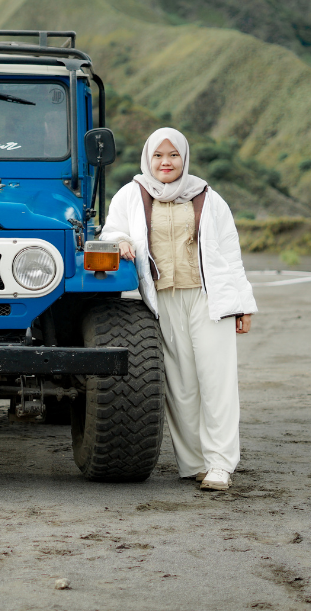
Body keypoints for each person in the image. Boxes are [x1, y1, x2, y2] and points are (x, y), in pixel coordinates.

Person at [100, 128, 257, 491]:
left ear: (184, 158)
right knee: (180, 385)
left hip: (207, 297)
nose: (166, 162)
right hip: (162, 299)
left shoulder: (208, 197)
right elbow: (111, 231)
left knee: (216, 382)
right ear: (148, 158)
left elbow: (230, 252)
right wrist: (121, 241)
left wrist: (243, 304)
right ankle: (195, 463)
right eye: (158, 155)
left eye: (173, 155)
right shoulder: (131, 195)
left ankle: (220, 464)